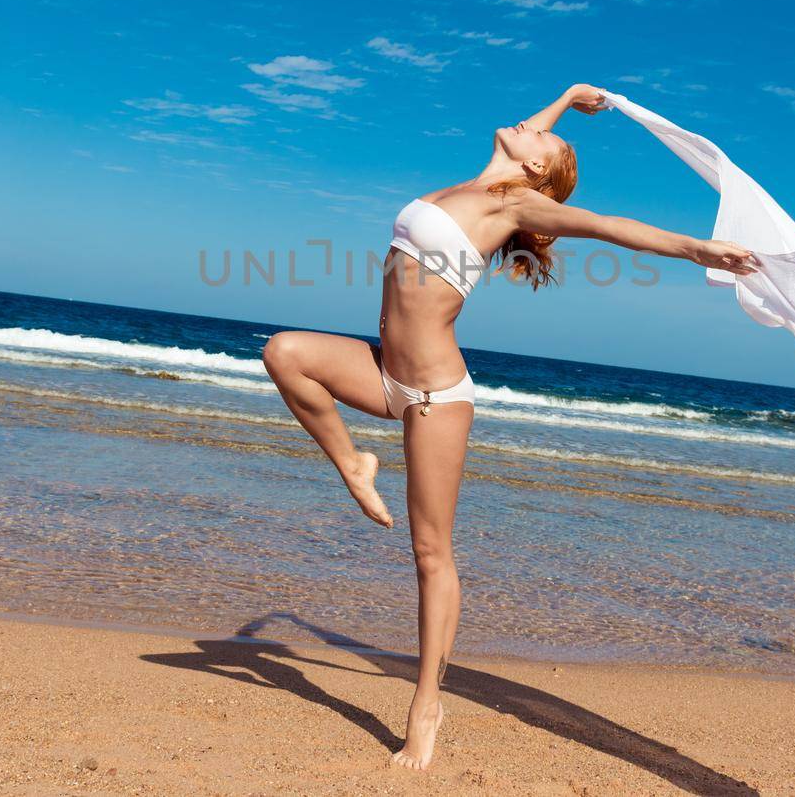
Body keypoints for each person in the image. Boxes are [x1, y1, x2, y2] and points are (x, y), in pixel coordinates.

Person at [260, 83, 758, 770]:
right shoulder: (480, 182)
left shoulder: (514, 202)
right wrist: (569, 96)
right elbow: (530, 137)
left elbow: (611, 225)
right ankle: (352, 462)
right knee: (282, 352)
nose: (529, 124)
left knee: (431, 555)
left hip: (436, 394)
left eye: (540, 136)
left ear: (534, 174)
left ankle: (425, 706)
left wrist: (697, 249)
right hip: (381, 373)